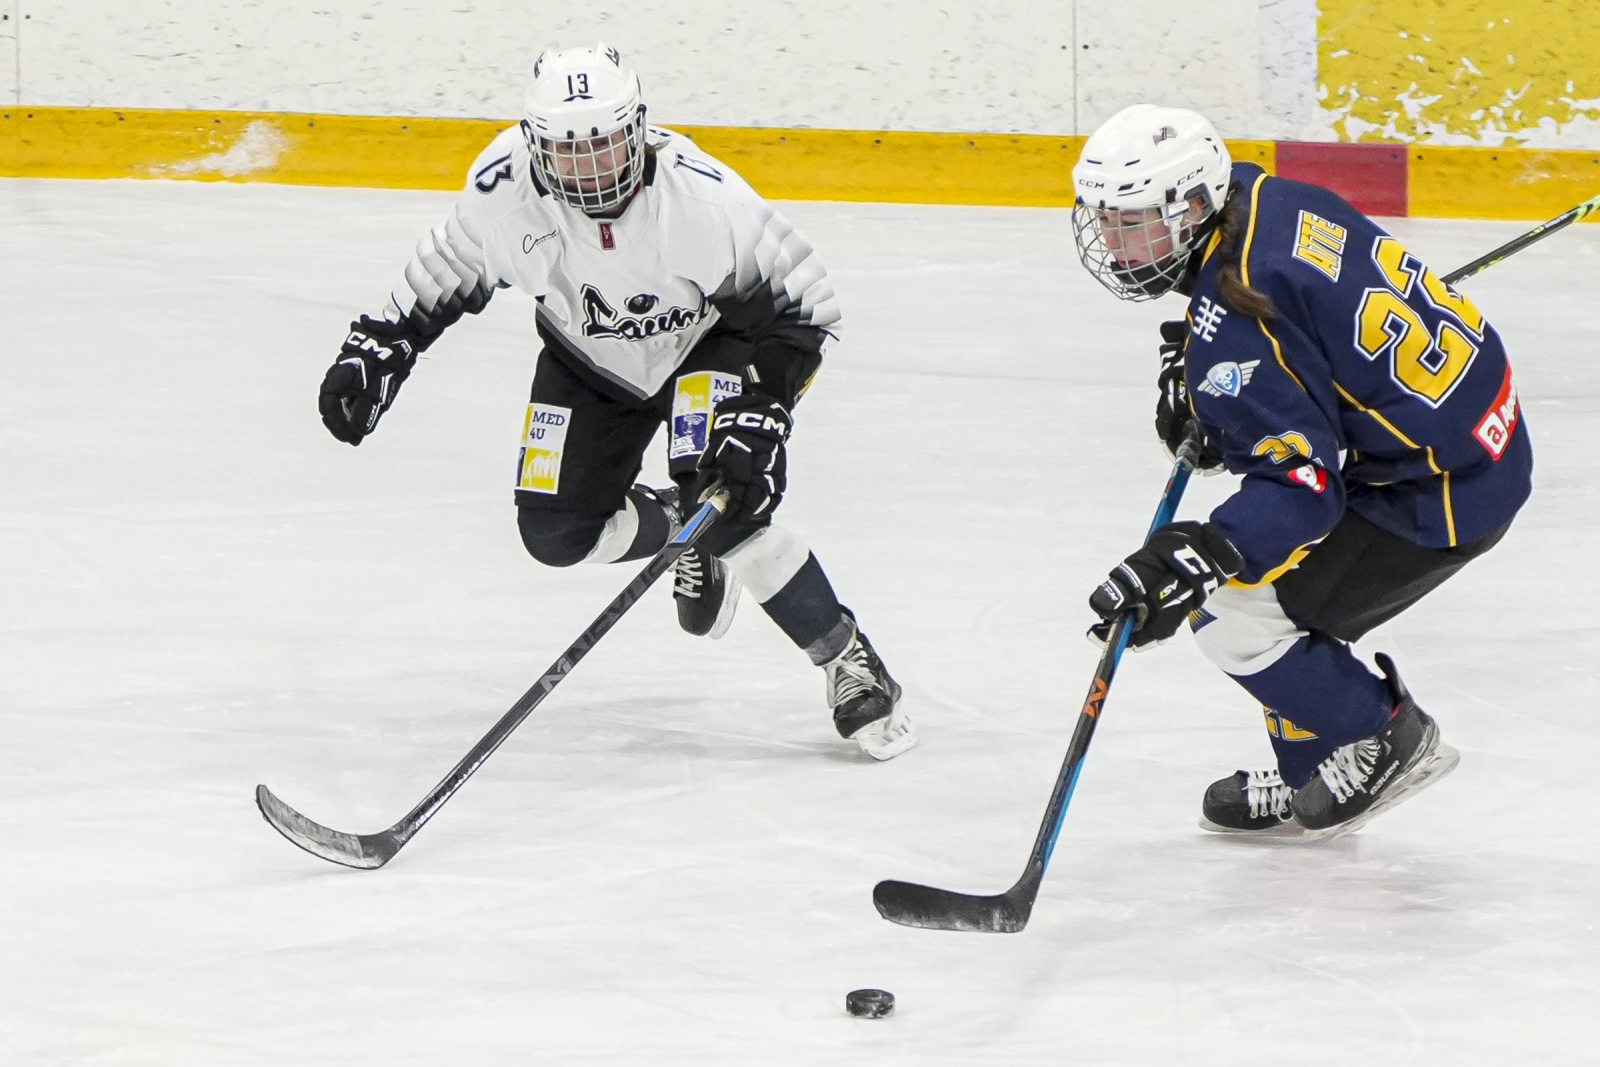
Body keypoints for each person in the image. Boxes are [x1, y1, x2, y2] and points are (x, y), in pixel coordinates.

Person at [315, 43, 916, 760]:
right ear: (536, 147)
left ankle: (847, 659)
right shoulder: (504, 189)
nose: (592, 169)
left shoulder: (702, 199)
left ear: (638, 129)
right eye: (570, 153)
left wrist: (765, 406)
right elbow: (451, 261)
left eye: (604, 145)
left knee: (729, 500)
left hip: (706, 348)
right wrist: (383, 342)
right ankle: (679, 524)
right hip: (586, 364)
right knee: (554, 535)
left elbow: (805, 305)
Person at [1069, 104, 1531, 837]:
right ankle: (1311, 769)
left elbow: (1305, 489)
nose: (1113, 242)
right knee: (1272, 587)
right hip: (1472, 429)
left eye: (1132, 222)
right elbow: (1301, 337)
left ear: (1194, 207)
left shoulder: (1240, 316)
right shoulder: (1269, 201)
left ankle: (1386, 736)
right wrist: (1218, 388)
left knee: (1236, 616)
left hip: (1446, 488)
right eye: (1105, 219)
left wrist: (1204, 553)